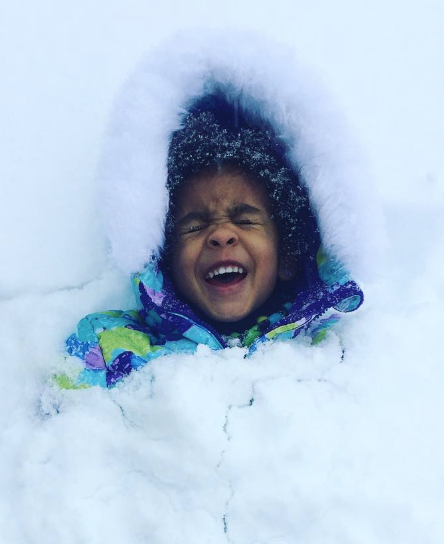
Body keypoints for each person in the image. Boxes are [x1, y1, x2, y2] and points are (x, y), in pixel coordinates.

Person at [53, 42, 375, 391]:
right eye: (195, 225)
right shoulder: (109, 347)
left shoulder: (329, 351)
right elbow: (62, 436)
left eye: (246, 219)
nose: (221, 234)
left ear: (287, 257)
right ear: (166, 261)